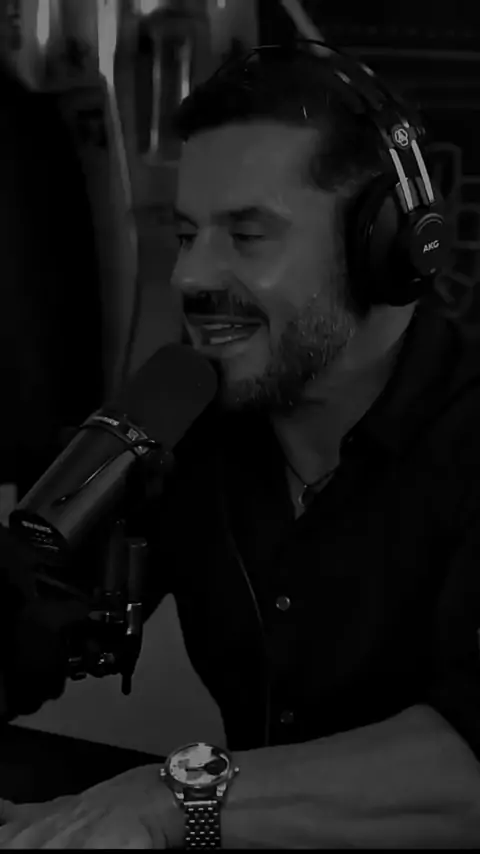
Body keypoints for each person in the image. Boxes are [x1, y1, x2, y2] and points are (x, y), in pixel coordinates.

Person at [1, 41, 480, 848]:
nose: (191, 275)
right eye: (187, 233)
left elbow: (469, 769)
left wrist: (168, 801)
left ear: (385, 247)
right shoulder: (187, 415)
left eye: (246, 234)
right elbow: (27, 602)